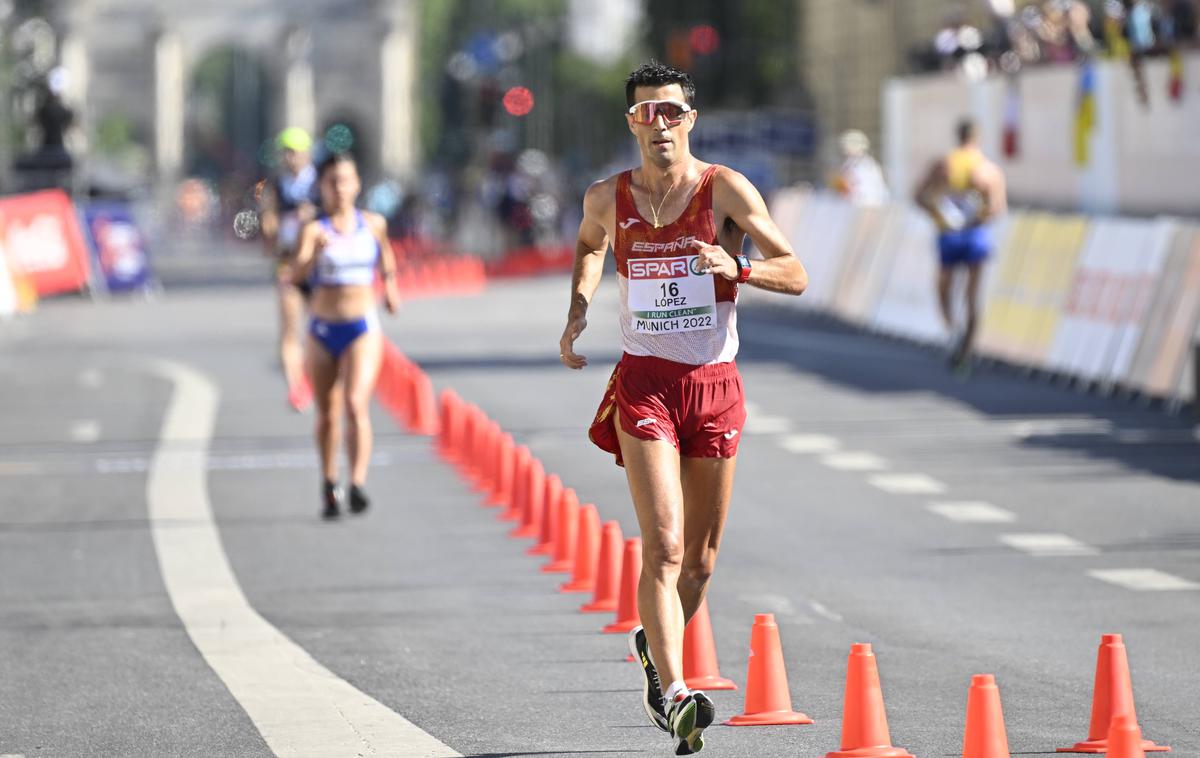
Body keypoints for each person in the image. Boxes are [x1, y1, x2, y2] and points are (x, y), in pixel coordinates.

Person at [558, 61, 807, 754]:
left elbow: (797, 270)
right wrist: (579, 305)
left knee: (699, 562)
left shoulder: (722, 188)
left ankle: (652, 647)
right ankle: (674, 693)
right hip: (646, 384)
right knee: (663, 548)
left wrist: (741, 268)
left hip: (714, 385)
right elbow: (588, 244)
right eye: (646, 114)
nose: (659, 125)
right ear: (631, 123)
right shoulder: (609, 196)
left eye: (671, 112)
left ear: (689, 119)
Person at [291, 152, 400, 519]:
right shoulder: (314, 229)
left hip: (361, 328)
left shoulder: (373, 224)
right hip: (322, 328)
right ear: (321, 187)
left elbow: (386, 257)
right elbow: (295, 275)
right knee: (327, 413)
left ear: (356, 184)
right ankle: (328, 482)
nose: (339, 188)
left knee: (356, 404)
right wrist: (311, 257)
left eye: (346, 180)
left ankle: (356, 483)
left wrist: (391, 288)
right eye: (332, 182)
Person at [914, 118, 1007, 374]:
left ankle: (952, 329)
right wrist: (976, 215)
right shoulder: (988, 169)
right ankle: (966, 349)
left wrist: (939, 214)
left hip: (950, 234)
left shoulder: (944, 164)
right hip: (975, 233)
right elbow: (998, 208)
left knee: (943, 285)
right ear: (977, 138)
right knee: (972, 294)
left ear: (957, 136)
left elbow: (917, 196)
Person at [259, 127, 320, 411]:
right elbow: (268, 222)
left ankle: (315, 378)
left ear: (306, 153)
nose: (290, 158)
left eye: (294, 152)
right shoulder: (274, 186)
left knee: (319, 328)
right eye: (285, 152)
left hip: (317, 265)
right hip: (287, 262)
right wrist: (271, 226)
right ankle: (296, 387)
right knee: (288, 330)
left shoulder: (320, 183)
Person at [831, 129, 890, 207]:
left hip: (867, 208)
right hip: (852, 208)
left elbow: (872, 193)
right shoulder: (849, 164)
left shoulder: (868, 166)